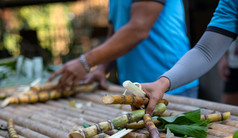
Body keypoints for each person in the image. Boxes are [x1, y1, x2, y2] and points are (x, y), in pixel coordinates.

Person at [47, 0, 199, 98]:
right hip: (135, 90)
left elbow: (138, 30)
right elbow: (115, 35)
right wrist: (101, 68)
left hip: (172, 86)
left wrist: (84, 62)